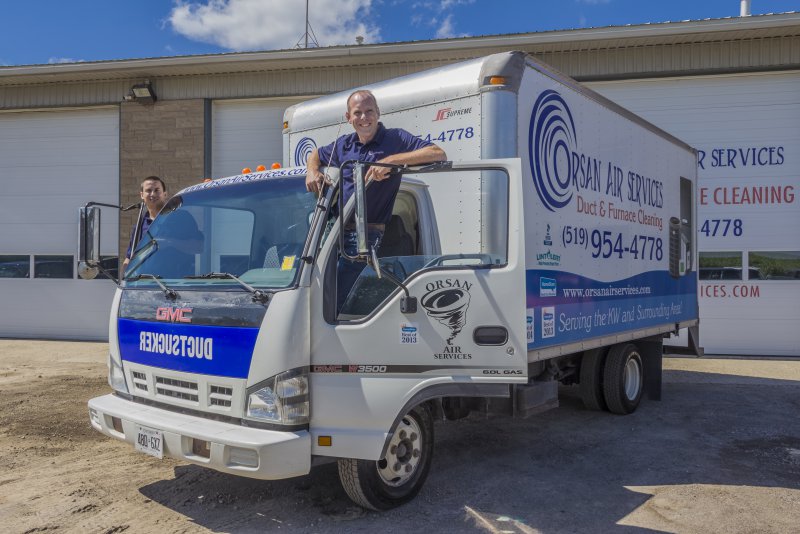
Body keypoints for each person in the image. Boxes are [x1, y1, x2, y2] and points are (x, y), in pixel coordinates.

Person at [305, 89, 446, 311]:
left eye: (369, 111)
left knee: (336, 306)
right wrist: (312, 171)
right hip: (332, 232)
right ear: (348, 118)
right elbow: (315, 154)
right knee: (313, 293)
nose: (364, 118)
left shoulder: (395, 138)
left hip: (365, 236)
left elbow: (437, 153)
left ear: (378, 112)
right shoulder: (344, 144)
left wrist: (390, 161)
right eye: (357, 113)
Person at [122, 176, 168, 273]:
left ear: (165, 194)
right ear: (142, 195)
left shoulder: (180, 217)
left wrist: (169, 242)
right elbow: (129, 258)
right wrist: (123, 281)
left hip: (176, 283)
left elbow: (198, 246)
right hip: (144, 284)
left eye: (157, 190)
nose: (152, 194)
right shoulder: (139, 226)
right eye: (148, 190)